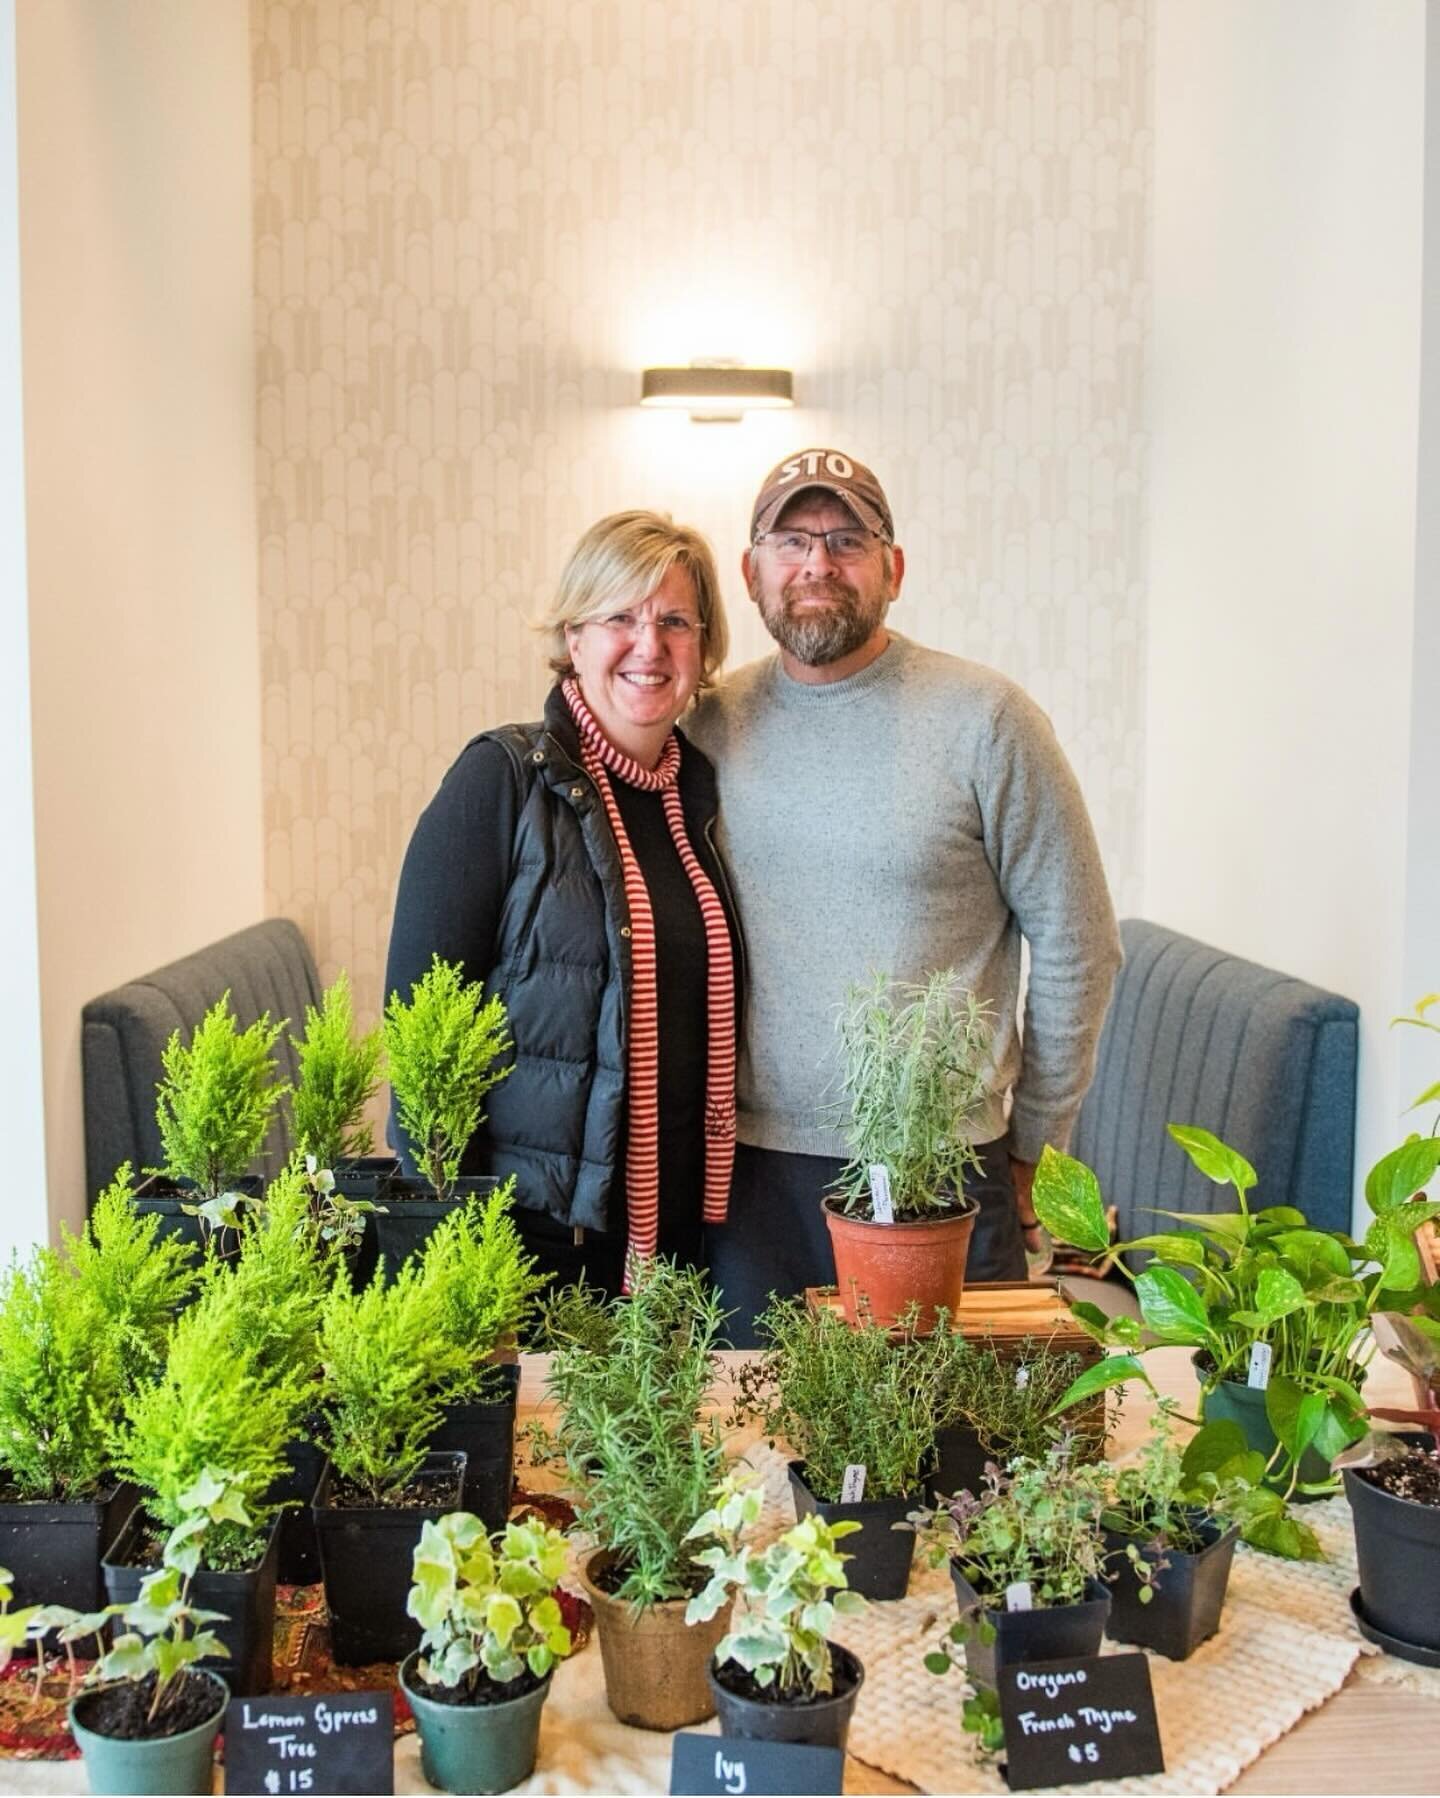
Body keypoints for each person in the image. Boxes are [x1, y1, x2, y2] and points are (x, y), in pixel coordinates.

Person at [686, 448, 1123, 1344]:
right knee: (750, 1454)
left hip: (943, 1174)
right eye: (792, 540)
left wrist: (1036, 1144)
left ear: (894, 568)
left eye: (847, 539)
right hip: (747, 1179)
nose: (817, 564)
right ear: (751, 571)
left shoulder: (987, 722)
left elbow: (1081, 942)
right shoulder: (703, 727)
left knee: (962, 1459)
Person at [383, 511, 741, 1298]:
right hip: (533, 1245)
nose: (650, 646)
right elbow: (420, 1032)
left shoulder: (703, 800)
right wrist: (455, 1251)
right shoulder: (501, 780)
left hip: (680, 1243)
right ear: (574, 638)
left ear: (704, 650)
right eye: (620, 617)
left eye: (675, 621)